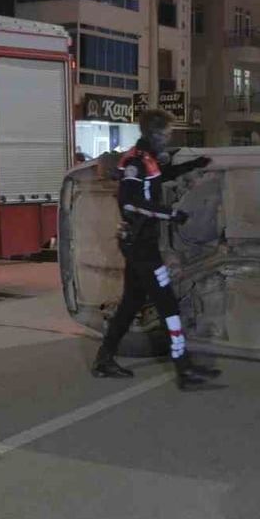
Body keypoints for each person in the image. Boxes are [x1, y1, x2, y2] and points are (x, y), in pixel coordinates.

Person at [92, 109, 221, 390]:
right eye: (165, 133)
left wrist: (196, 164)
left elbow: (162, 176)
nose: (168, 137)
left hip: (142, 243)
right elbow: (128, 202)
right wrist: (170, 214)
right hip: (140, 246)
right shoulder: (134, 163)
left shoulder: (148, 160)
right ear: (152, 133)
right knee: (168, 305)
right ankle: (183, 369)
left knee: (130, 304)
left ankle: (104, 359)